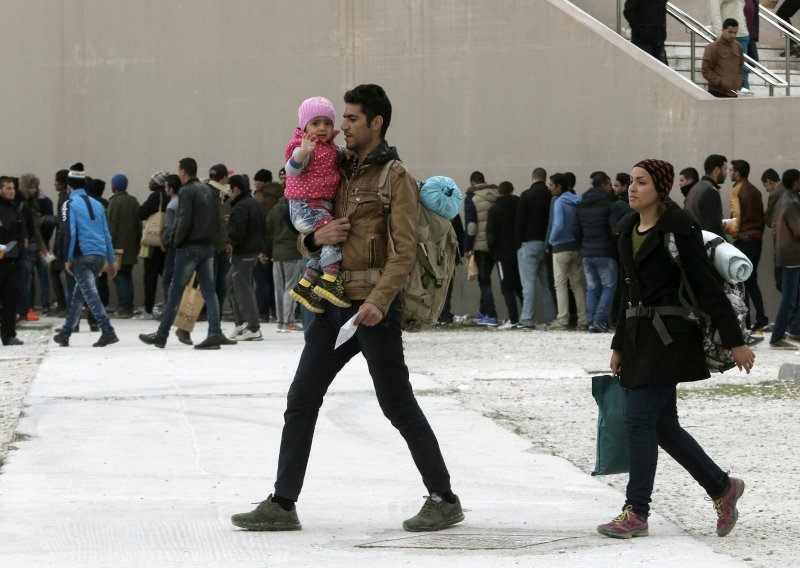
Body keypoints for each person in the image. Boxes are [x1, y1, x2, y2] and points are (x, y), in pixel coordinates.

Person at [231, 84, 464, 533]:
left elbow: (404, 250)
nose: (343, 125)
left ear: (376, 123)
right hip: (331, 303)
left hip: (371, 310)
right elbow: (308, 222)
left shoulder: (394, 176)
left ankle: (443, 498)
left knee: (396, 403)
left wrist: (379, 302)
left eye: (353, 118)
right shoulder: (334, 166)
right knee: (301, 399)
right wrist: (313, 238)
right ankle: (283, 503)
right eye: (342, 117)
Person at [598, 158, 753, 539]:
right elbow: (626, 293)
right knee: (663, 427)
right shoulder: (626, 229)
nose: (633, 188)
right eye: (631, 181)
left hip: (671, 341)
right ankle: (722, 487)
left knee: (638, 421)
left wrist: (736, 342)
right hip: (638, 341)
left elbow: (707, 288)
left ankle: (636, 511)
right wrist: (618, 345)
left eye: (642, 182)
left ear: (660, 188)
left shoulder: (679, 228)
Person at [139, 158, 236, 350]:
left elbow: (183, 221)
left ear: (183, 172)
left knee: (175, 292)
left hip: (189, 248)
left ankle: (162, 334)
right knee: (210, 292)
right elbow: (218, 220)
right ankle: (214, 333)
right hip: (207, 247)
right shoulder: (208, 190)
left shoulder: (186, 191)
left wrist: (174, 241)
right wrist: (222, 241)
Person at [284, 96, 351, 315]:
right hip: (305, 207)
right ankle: (330, 280)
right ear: (304, 126)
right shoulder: (302, 145)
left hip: (317, 206)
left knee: (322, 248)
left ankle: (304, 286)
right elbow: (292, 168)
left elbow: (341, 153)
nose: (322, 128)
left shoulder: (330, 147)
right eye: (315, 123)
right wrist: (303, 151)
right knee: (333, 236)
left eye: (327, 123)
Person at [52, 164, 119, 348]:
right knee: (78, 296)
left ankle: (108, 331)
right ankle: (65, 333)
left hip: (82, 255)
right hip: (99, 256)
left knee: (90, 295)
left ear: (68, 186)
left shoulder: (68, 204)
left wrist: (68, 258)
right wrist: (111, 259)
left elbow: (70, 233)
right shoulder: (97, 204)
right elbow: (106, 233)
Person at [575, 172, 618, 333]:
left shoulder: (581, 204)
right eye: (609, 185)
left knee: (592, 288)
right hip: (605, 252)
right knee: (609, 287)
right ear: (603, 185)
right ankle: (599, 321)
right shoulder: (609, 204)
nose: (610, 188)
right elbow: (613, 228)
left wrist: (583, 245)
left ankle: (592, 321)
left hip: (587, 252)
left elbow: (576, 230)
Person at [225, 174, 267, 341]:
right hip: (250, 253)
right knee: (230, 284)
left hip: (243, 254)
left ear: (236, 189)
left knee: (244, 290)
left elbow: (236, 233)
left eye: (230, 189)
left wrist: (227, 228)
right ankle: (241, 323)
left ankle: (253, 328)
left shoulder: (241, 207)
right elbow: (263, 228)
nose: (229, 193)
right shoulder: (253, 204)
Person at [728, 159, 768, 331]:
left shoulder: (736, 190)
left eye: (731, 170)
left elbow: (736, 213)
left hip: (743, 239)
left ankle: (746, 322)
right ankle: (762, 318)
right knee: (751, 280)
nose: (730, 172)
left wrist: (731, 231)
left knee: (740, 281)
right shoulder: (756, 191)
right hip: (757, 240)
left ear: (737, 172)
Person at [515, 167, 555, 329]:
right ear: (545, 179)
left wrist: (518, 243)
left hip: (529, 244)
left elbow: (520, 221)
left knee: (528, 284)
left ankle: (527, 319)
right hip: (546, 245)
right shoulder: (550, 195)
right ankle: (551, 318)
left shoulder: (526, 195)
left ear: (533, 178)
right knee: (547, 284)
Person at [546, 173, 587, 331]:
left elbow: (558, 225)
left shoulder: (558, 202)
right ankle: (583, 319)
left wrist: (551, 240)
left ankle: (563, 320)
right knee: (577, 285)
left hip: (560, 248)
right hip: (576, 247)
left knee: (560, 285)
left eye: (551, 185)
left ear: (558, 186)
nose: (550, 188)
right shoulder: (577, 201)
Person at [768, 169, 800, 349]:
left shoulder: (784, 198)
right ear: (795, 182)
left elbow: (773, 226)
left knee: (791, 297)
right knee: (789, 298)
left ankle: (795, 330)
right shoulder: (792, 201)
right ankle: (777, 337)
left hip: (787, 254)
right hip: (793, 257)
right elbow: (798, 230)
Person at [464, 171, 500, 326]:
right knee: (485, 280)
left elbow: (471, 226)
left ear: (472, 183)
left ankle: (491, 314)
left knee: (484, 281)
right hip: (496, 245)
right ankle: (483, 312)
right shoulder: (496, 195)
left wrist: (467, 247)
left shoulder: (471, 198)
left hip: (480, 246)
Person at [265, 194, 304, 332]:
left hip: (277, 252)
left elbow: (268, 229)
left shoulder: (275, 208)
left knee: (279, 289)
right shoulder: (297, 206)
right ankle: (288, 322)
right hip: (292, 252)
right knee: (291, 288)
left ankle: (281, 321)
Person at [486, 180, 522, 327]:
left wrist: (492, 251)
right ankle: (527, 316)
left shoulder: (494, 209)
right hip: (519, 252)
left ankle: (513, 318)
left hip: (502, 254)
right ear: (512, 190)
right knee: (520, 285)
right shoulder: (520, 205)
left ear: (499, 192)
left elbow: (491, 235)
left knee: (507, 287)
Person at [106, 173, 141, 318]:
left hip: (117, 248)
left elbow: (111, 227)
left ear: (114, 187)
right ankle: (129, 306)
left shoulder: (114, 202)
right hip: (131, 247)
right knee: (127, 276)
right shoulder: (134, 201)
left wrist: (108, 246)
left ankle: (123, 307)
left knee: (119, 277)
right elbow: (139, 226)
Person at [138, 171, 170, 320]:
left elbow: (140, 213)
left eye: (153, 180)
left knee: (149, 277)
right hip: (167, 242)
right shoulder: (171, 195)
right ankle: (171, 306)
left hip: (154, 242)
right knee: (167, 276)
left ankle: (148, 309)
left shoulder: (156, 196)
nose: (150, 182)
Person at [252, 168, 283, 322]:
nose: (254, 183)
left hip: (263, 243)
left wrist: (260, 248)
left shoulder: (260, 197)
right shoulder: (282, 194)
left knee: (262, 280)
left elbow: (258, 224)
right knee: (276, 281)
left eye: (256, 180)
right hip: (279, 243)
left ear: (262, 181)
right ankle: (277, 312)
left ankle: (263, 313)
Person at [0, 176, 27, 346]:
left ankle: (9, 335)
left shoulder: (15, 208)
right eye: (8, 188)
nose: (12, 191)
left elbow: (20, 233)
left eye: (13, 188)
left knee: (11, 299)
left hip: (14, 262)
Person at [711, 1, 750, 91]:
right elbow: (715, 13)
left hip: (743, 35)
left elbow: (741, 10)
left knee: (743, 68)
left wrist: (745, 28)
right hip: (728, 36)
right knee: (728, 69)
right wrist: (720, 34)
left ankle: (744, 92)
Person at [684, 154, 727, 236]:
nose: (726, 173)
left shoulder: (696, 187)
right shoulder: (710, 191)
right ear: (717, 170)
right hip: (704, 244)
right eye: (725, 169)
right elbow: (713, 229)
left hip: (695, 241)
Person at [702, 18, 745, 98]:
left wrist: (739, 82)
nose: (732, 35)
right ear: (722, 30)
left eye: (735, 33)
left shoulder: (738, 47)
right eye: (730, 32)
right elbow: (706, 69)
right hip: (717, 92)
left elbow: (740, 67)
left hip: (734, 93)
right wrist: (720, 82)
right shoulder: (712, 47)